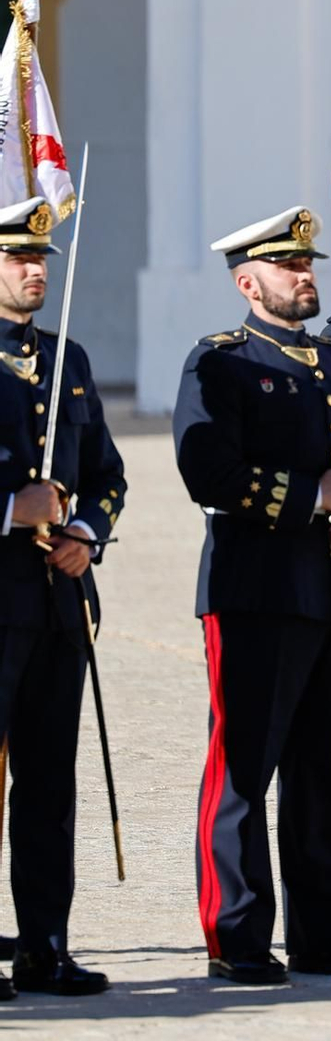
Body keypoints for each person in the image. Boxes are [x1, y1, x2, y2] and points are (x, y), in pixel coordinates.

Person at [174, 205, 331, 984]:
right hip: (257, 591)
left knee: (318, 773)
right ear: (248, 281)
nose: (304, 277)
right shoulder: (223, 362)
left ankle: (325, 933)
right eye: (287, 266)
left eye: (308, 265)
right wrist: (313, 496)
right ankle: (235, 935)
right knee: (243, 769)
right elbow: (209, 473)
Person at [0, 197, 125, 1000]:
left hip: (58, 606)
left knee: (50, 782)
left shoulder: (67, 357)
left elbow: (107, 474)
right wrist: (11, 509)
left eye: (40, 258)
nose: (34, 270)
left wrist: (83, 529)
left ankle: (46, 944)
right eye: (17, 259)